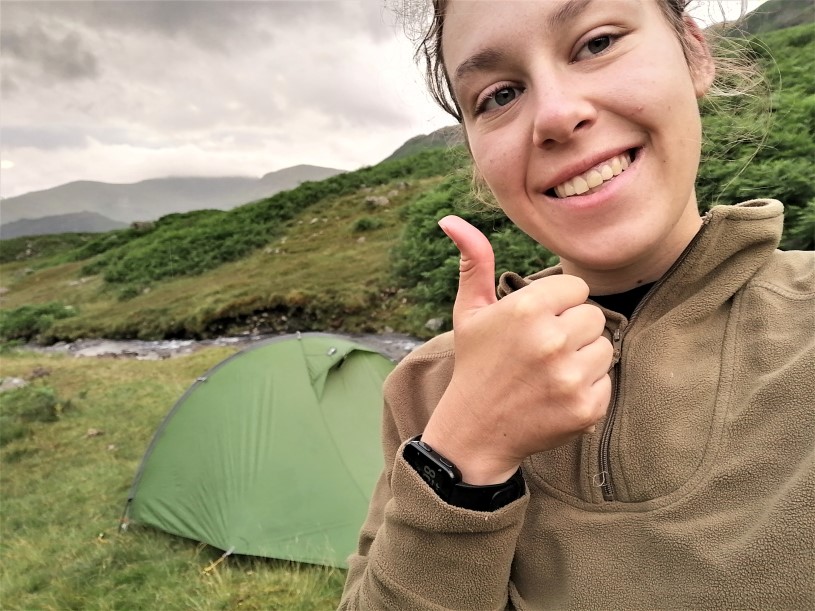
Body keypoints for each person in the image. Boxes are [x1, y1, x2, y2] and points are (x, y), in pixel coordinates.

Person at [340, 0, 814, 608]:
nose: (557, 116)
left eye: (597, 43)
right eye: (501, 95)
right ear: (478, 157)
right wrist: (463, 454)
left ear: (695, 54)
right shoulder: (431, 387)